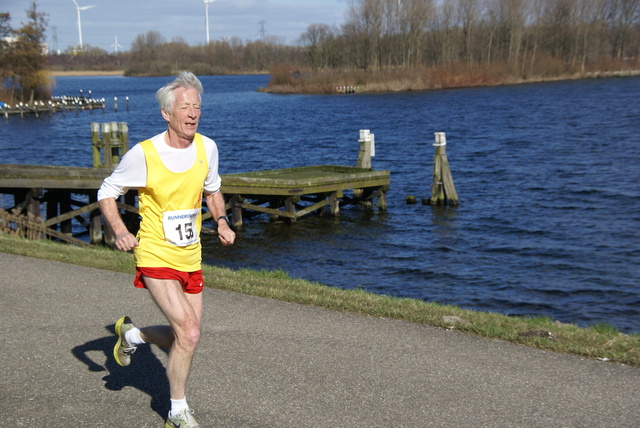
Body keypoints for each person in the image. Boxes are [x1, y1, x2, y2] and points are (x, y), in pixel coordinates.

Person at [98, 71, 235, 428]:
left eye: (197, 107)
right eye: (184, 107)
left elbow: (213, 190)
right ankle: (176, 411)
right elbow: (107, 191)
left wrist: (220, 220)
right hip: (155, 254)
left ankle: (132, 336)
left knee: (184, 336)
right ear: (166, 114)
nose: (192, 113)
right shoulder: (144, 154)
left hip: (190, 256)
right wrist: (119, 230)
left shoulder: (208, 148)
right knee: (189, 333)